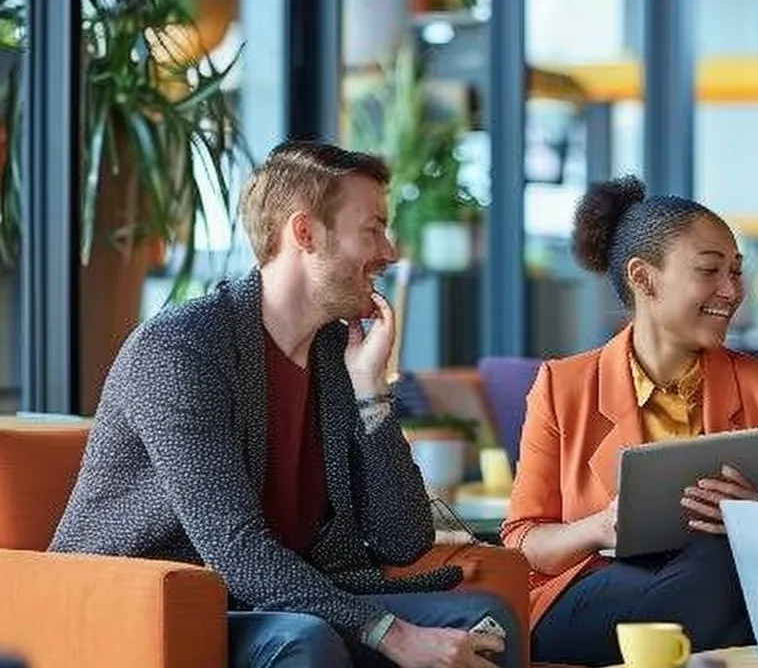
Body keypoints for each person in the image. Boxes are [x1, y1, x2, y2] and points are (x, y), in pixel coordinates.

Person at [50, 141, 518, 668]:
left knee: (484, 620)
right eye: (372, 230)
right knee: (306, 641)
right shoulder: (182, 350)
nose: (389, 252)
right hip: (155, 607)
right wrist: (393, 634)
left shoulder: (334, 354)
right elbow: (236, 549)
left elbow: (402, 538)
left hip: (280, 601)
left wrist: (371, 390)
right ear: (305, 233)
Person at [502, 175, 758, 666]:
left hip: (718, 584)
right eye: (710, 271)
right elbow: (522, 542)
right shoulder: (563, 386)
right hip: (592, 594)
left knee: (721, 557)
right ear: (643, 278)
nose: (732, 291)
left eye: (737, 271)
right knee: (729, 586)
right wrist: (599, 528)